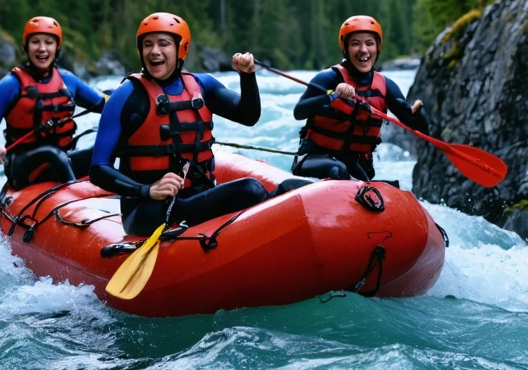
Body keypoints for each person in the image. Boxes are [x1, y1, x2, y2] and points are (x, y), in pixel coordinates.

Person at [89, 12, 304, 236]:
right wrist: (147, 190)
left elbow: (248, 116)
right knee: (249, 189)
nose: (154, 51)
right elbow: (98, 170)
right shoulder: (126, 96)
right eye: (147, 45)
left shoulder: (202, 86)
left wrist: (247, 77)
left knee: (285, 188)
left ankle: (304, 207)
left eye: (164, 44)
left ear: (181, 48)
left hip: (195, 197)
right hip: (148, 210)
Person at [292, 15, 429, 182]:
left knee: (388, 186)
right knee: (338, 170)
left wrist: (417, 116)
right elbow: (299, 112)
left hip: (354, 165)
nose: (363, 49)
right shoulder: (328, 78)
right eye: (355, 43)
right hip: (314, 158)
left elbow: (418, 128)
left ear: (377, 48)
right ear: (346, 49)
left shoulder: (386, 86)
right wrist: (333, 95)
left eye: (369, 43)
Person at [0, 16, 106, 189]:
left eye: (48, 42)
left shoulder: (68, 80)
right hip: (23, 167)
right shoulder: (9, 85)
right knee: (52, 154)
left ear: (57, 47)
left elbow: (105, 105)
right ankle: (74, 196)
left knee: (102, 142)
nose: (42, 49)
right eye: (35, 42)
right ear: (26, 47)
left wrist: (125, 95)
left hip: (63, 159)